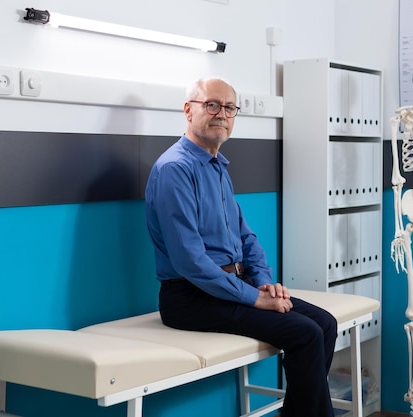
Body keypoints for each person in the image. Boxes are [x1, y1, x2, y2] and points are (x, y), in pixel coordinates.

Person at [144, 77, 337, 417]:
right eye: (212, 105)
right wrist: (255, 298)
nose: (222, 114)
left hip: (232, 287)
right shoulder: (175, 169)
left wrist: (263, 282)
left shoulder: (217, 167)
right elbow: (190, 262)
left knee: (324, 323)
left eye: (229, 107)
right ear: (189, 110)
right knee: (305, 333)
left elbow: (246, 238)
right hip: (190, 297)